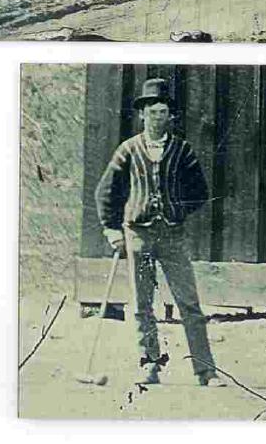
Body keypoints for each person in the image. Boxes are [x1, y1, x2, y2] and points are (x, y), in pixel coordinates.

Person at [95, 76, 226, 389]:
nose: (158, 117)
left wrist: (177, 211)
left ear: (171, 116)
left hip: (172, 236)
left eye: (163, 112)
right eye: (152, 112)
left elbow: (200, 191)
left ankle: (206, 371)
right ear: (143, 114)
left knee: (189, 303)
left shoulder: (182, 150)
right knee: (142, 305)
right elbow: (106, 192)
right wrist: (111, 229)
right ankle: (149, 365)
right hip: (137, 235)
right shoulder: (128, 149)